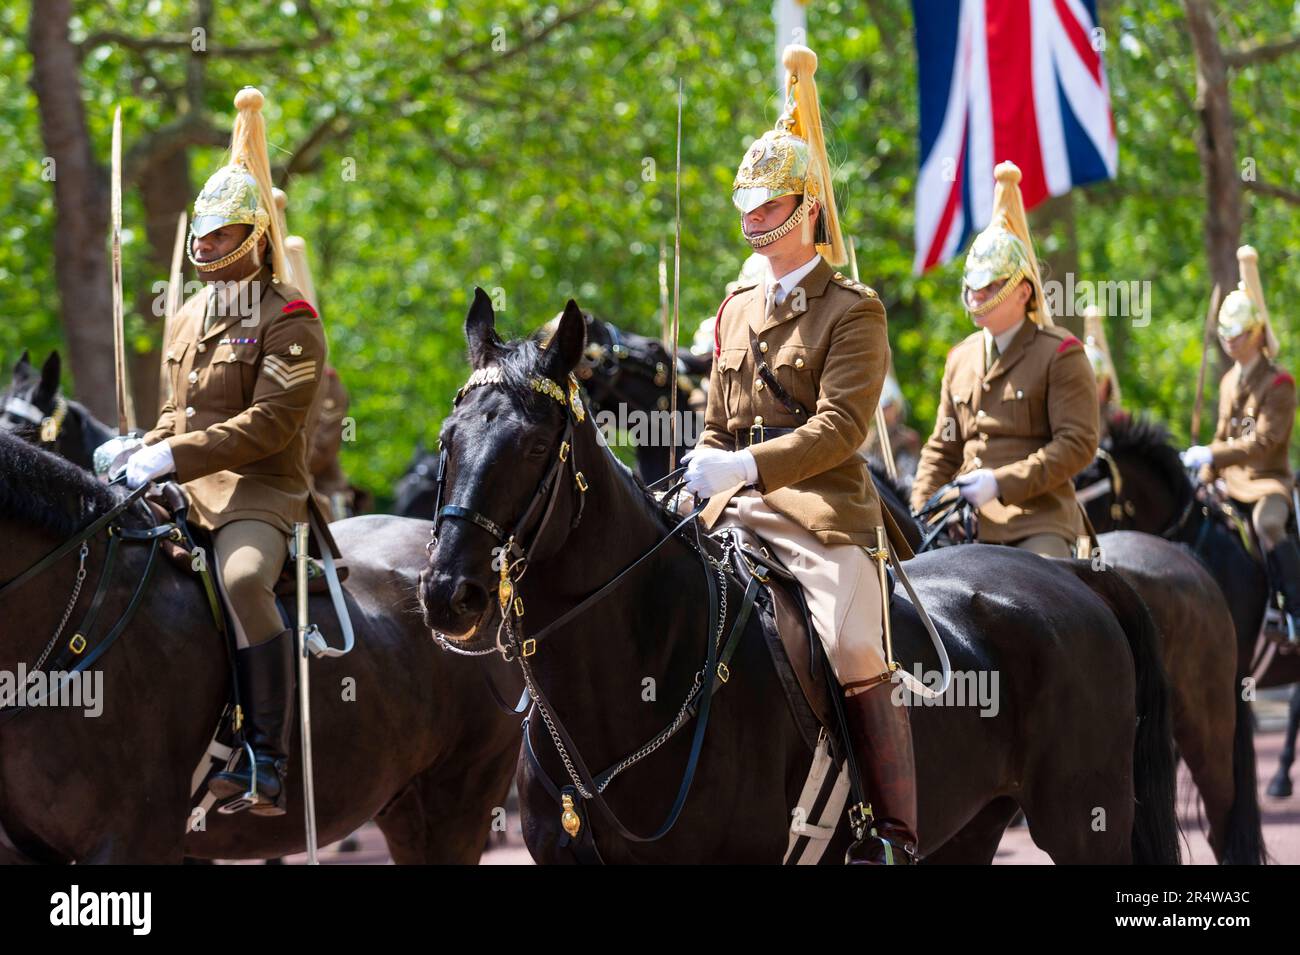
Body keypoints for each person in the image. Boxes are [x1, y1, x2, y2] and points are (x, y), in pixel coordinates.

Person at [683, 45, 913, 864]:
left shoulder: (855, 310)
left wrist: (745, 467)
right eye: (748, 202)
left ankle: (886, 825)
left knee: (852, 647)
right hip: (732, 504)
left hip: (820, 511)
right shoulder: (736, 307)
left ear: (806, 207)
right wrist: (701, 473)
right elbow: (716, 421)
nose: (754, 216)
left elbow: (843, 428)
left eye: (770, 201)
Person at [122, 87, 329, 815]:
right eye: (201, 235)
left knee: (241, 579)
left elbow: (269, 427)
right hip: (181, 483)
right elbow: (172, 415)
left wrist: (169, 459)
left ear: (255, 237)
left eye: (219, 236)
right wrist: (136, 450)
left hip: (258, 491)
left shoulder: (291, 320)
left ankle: (264, 756)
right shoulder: (185, 317)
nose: (204, 247)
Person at [910, 162, 1099, 558]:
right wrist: (921, 509)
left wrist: (1001, 482)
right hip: (963, 523)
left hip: (1035, 521)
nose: (978, 297)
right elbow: (943, 446)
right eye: (973, 287)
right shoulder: (960, 359)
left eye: (992, 286)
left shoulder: (1060, 353)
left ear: (1022, 291)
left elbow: (1076, 444)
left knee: (1048, 600)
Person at [1182, 245, 1299, 631]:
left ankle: (1293, 606)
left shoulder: (1279, 383)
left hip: (1267, 482)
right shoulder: (1230, 380)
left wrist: (1210, 454)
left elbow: (1263, 443)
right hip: (1229, 483)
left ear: (1256, 333)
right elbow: (1220, 437)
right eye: (1226, 335)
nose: (1230, 343)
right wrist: (1202, 474)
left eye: (1237, 336)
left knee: (1268, 525)